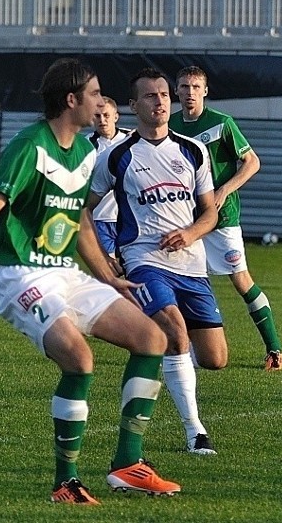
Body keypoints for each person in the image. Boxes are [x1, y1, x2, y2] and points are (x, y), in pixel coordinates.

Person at [0, 58, 180, 505]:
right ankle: (66, 481)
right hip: (18, 273)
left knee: (152, 338)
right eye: (95, 94)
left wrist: (108, 278)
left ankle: (127, 465)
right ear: (72, 99)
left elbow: (79, 223)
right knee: (79, 359)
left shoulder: (84, 152)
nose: (102, 102)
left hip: (64, 272)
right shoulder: (31, 145)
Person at [88, 67, 225, 455]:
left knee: (214, 359)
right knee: (174, 330)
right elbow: (86, 209)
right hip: (143, 259)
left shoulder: (193, 151)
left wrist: (192, 234)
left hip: (192, 264)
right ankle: (195, 431)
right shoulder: (117, 156)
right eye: (150, 96)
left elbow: (210, 212)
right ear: (133, 106)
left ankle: (174, 367)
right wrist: (104, 256)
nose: (161, 101)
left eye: (165, 94)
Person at [169, 65, 282, 371]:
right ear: (176, 91)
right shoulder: (169, 126)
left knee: (241, 281)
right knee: (186, 284)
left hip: (222, 219)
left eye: (196, 87)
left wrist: (224, 190)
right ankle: (189, 352)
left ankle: (274, 349)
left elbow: (252, 162)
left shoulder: (222, 123)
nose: (190, 92)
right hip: (187, 219)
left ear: (205, 91)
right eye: (184, 87)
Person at [88, 96, 131, 256]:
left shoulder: (132, 139)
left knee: (131, 264)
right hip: (100, 218)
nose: (102, 120)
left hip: (128, 217)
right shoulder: (85, 146)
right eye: (97, 116)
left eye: (106, 115)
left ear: (116, 116)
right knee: (110, 267)